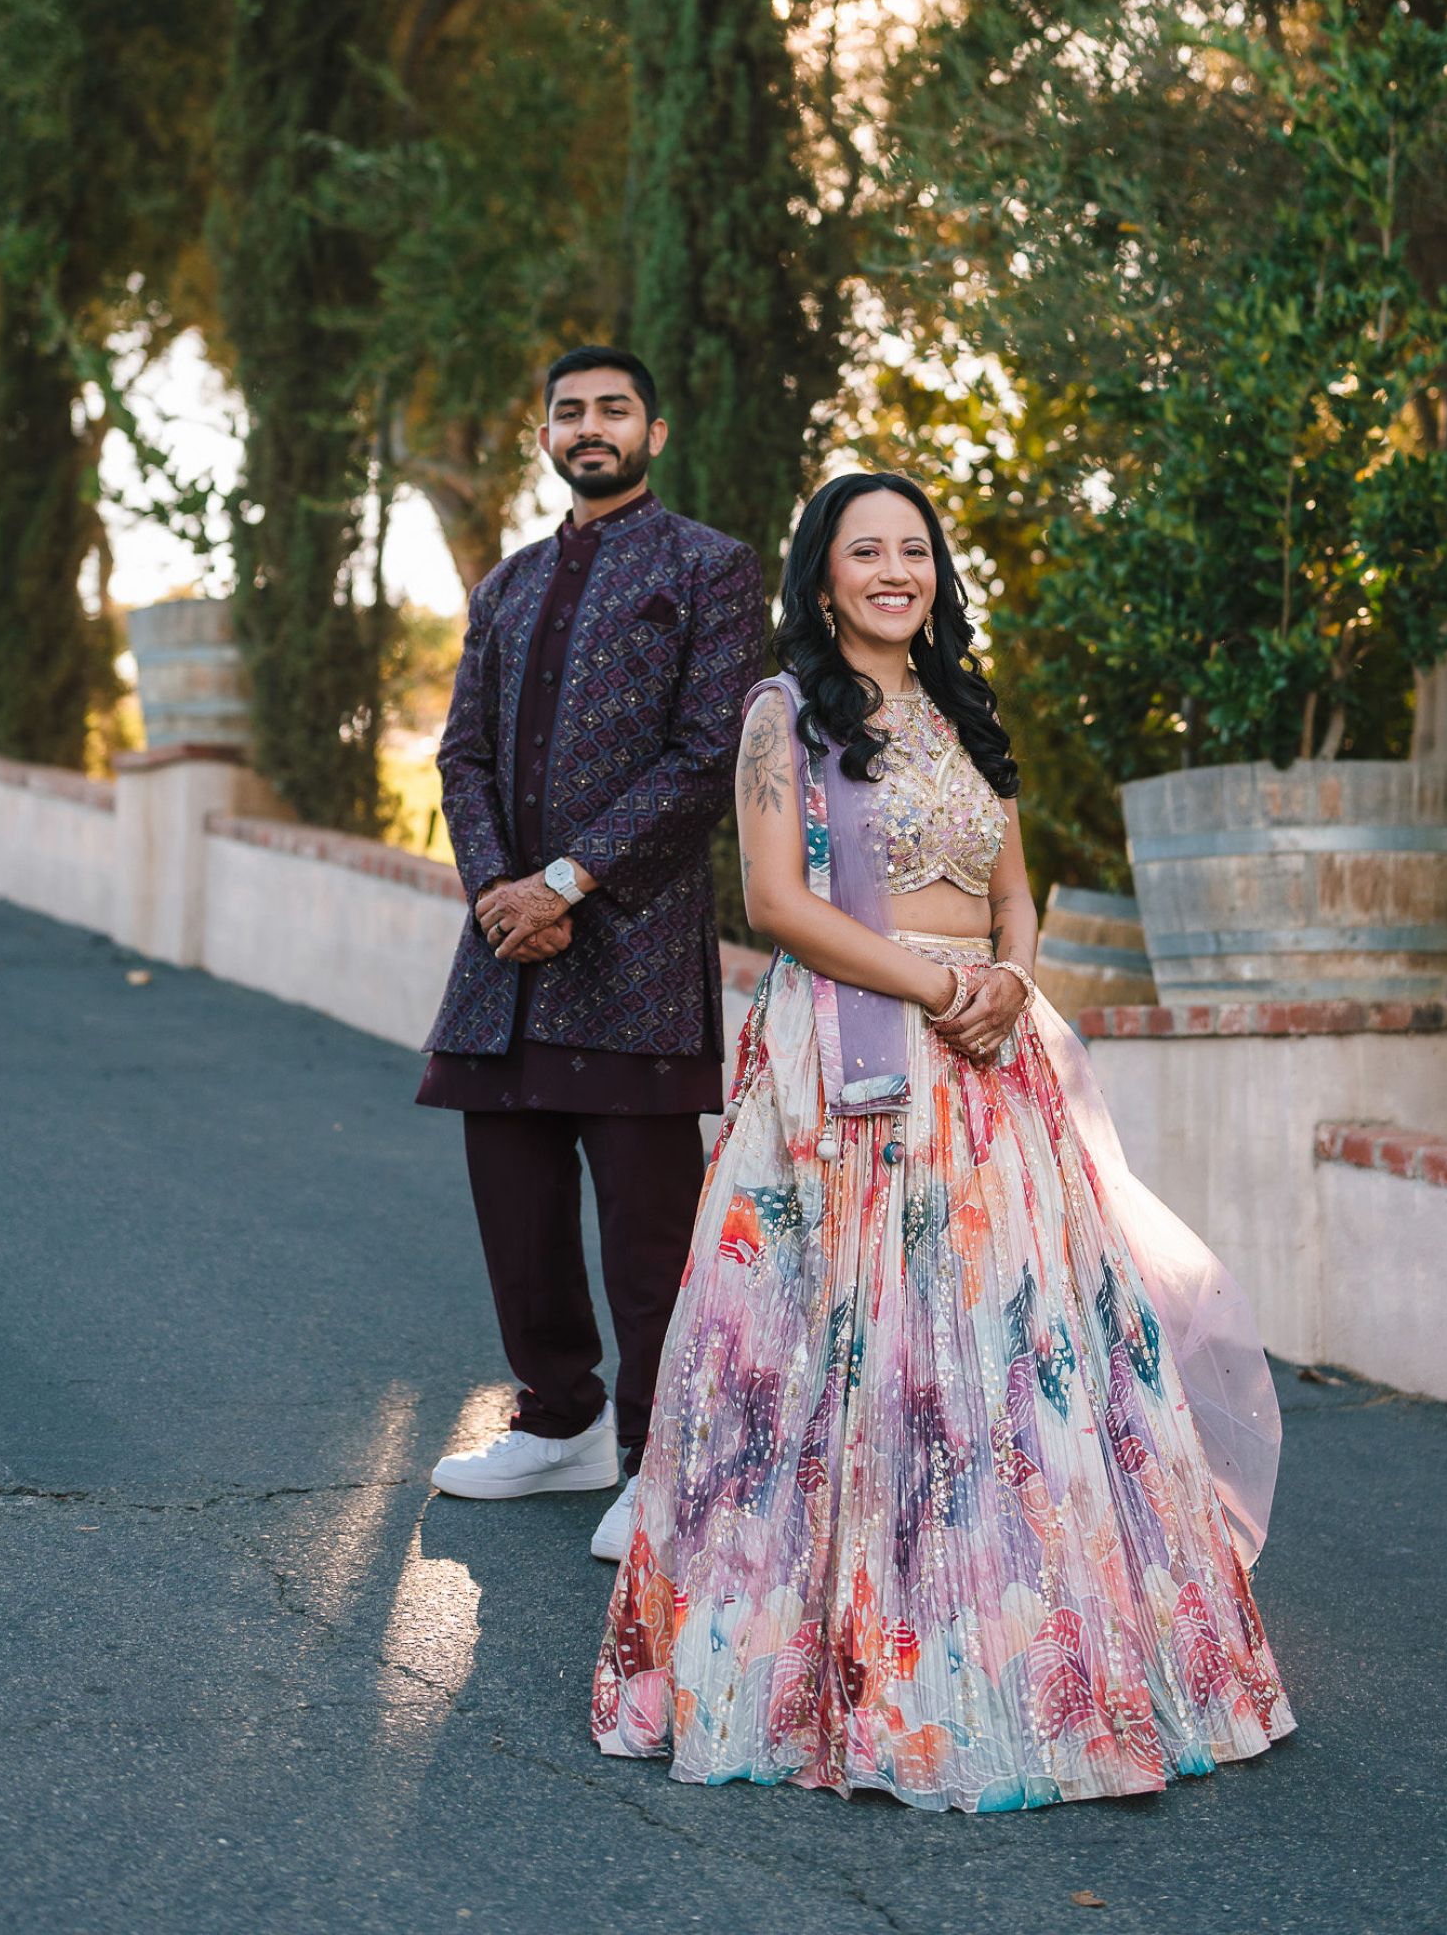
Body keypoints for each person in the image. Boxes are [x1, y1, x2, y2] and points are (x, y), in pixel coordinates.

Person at [592, 471, 1294, 1809]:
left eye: (914, 549)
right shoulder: (780, 714)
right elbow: (774, 901)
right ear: (824, 574)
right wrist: (939, 990)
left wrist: (1011, 984)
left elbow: (1018, 895)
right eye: (867, 551)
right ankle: (859, 1670)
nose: (895, 570)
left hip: (991, 1058)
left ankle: (1032, 1650)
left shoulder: (969, 711)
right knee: (857, 1355)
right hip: (858, 1062)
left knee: (1008, 1348)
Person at [417, 348, 764, 1562]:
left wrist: (567, 881)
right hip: (504, 965)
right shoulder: (507, 585)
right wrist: (501, 894)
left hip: (637, 953)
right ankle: (558, 1420)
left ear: (654, 431)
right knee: (514, 1211)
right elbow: (459, 756)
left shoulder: (710, 568)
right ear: (548, 434)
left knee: (647, 1242)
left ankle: (659, 1464)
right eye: (571, 411)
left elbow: (706, 753)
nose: (591, 425)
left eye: (614, 408)